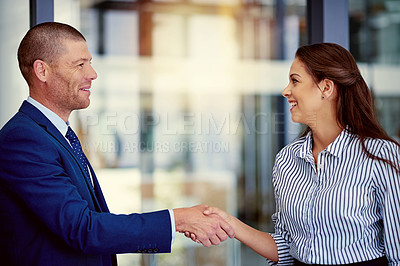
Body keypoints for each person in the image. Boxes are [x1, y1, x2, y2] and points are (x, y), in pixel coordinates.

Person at [0, 22, 234, 266]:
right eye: (79, 64)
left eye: (90, 62)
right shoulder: (23, 140)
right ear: (42, 71)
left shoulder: (57, 135)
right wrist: (178, 220)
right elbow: (83, 229)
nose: (92, 73)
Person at [196, 43, 400, 265]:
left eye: (295, 80)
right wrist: (232, 225)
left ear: (326, 88)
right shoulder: (286, 160)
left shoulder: (381, 157)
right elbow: (285, 247)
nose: (286, 91)